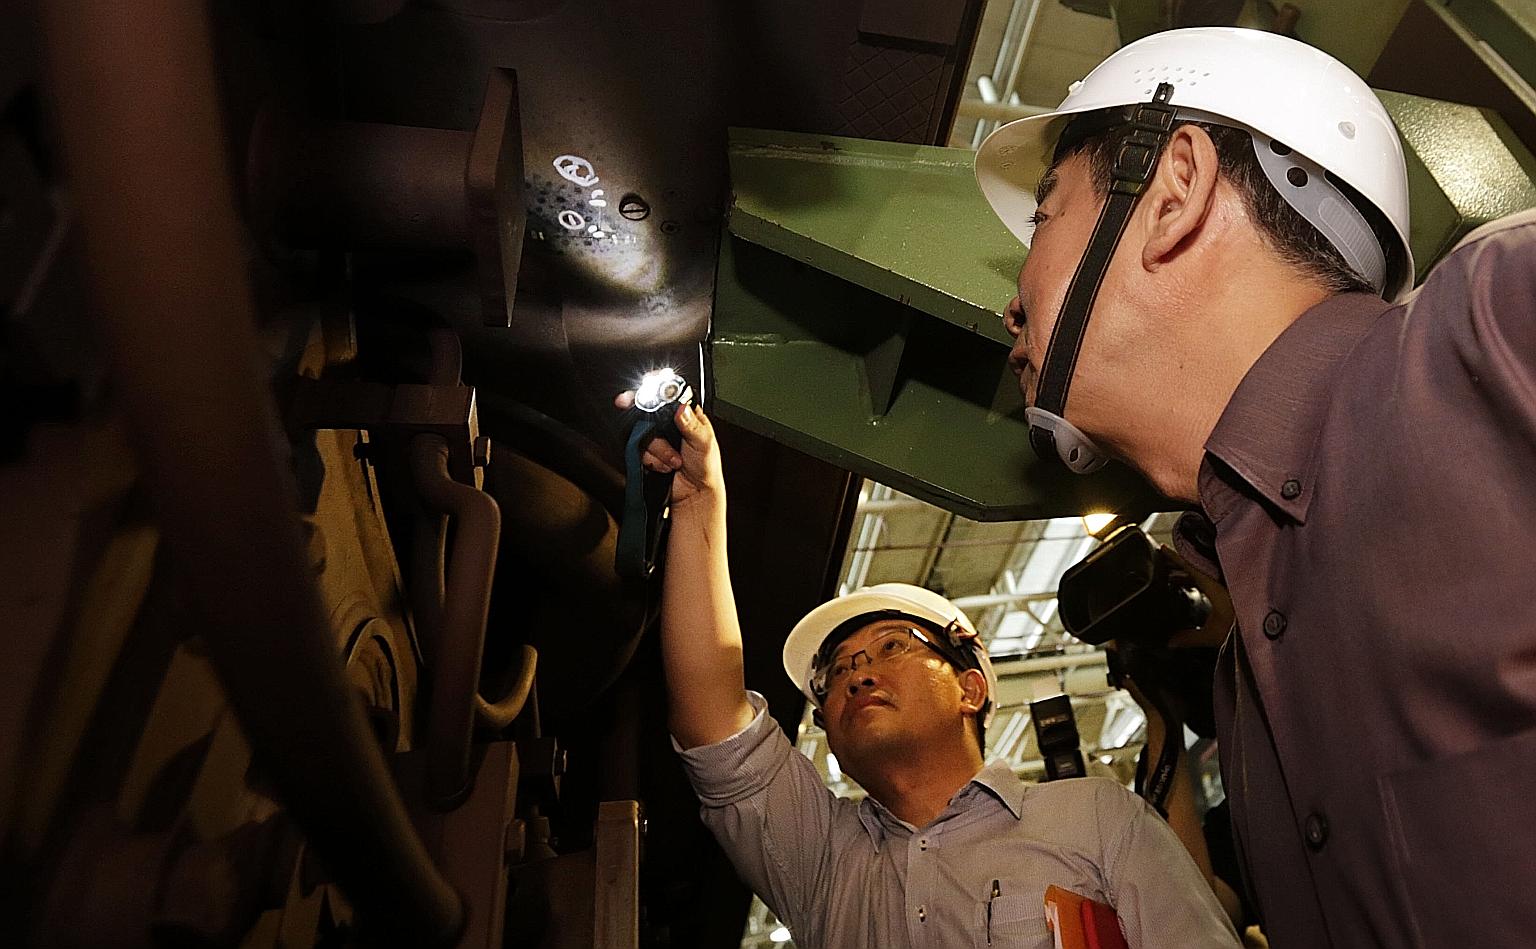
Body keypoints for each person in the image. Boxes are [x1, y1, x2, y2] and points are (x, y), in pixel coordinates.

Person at [974, 24, 1536, 948]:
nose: (1011, 297)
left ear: (1172, 192)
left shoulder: (1495, 329)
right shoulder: (1242, 686)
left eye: (1044, 216)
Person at [615, 391, 1239, 948]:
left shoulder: (1095, 820)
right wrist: (700, 503)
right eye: (835, 675)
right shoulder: (825, 867)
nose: (857, 676)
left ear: (971, 688)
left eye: (892, 647)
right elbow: (713, 724)